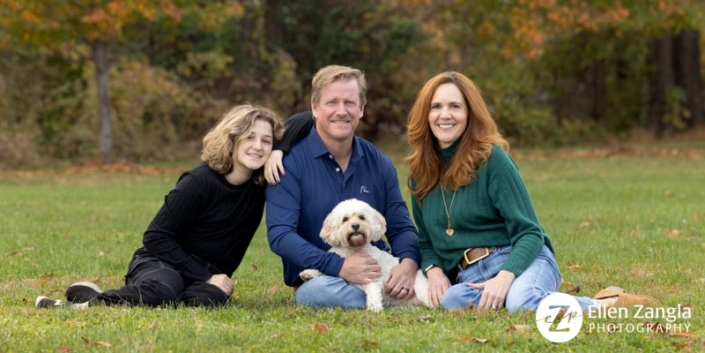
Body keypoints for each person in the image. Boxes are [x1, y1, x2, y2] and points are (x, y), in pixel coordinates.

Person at [405, 71, 660, 312]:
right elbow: (426, 240)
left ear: (470, 114)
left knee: (520, 302)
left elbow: (529, 232)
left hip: (520, 259)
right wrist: (435, 270)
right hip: (471, 276)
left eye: (455, 106)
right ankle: (524, 297)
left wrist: (505, 278)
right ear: (425, 114)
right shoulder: (421, 173)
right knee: (452, 300)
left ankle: (608, 303)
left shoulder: (492, 160)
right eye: (436, 106)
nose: (445, 115)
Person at [35, 104, 308, 309]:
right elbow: (155, 238)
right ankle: (79, 306)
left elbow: (306, 119)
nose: (258, 146)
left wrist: (280, 150)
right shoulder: (199, 181)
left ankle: (95, 293)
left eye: (266, 140)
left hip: (204, 280)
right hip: (161, 262)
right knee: (165, 290)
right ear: (232, 138)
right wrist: (207, 275)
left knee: (210, 300)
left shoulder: (263, 185)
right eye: (249, 137)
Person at [265, 65, 421, 309]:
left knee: (414, 275)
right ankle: (390, 301)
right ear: (315, 108)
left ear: (361, 109)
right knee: (315, 292)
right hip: (323, 280)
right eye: (332, 103)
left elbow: (401, 227)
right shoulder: (289, 164)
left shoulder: (378, 162)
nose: (341, 111)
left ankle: (389, 294)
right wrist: (338, 266)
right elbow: (280, 236)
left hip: (376, 272)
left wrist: (408, 264)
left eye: (349, 103)